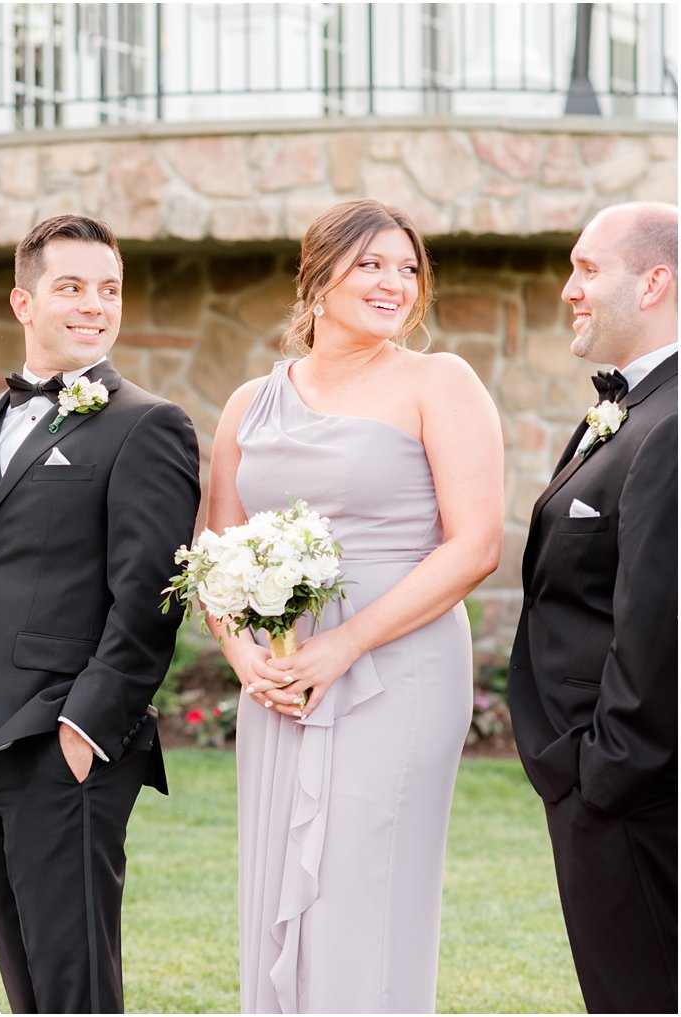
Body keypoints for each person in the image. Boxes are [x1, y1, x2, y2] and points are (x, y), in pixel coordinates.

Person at [211, 198, 502, 1012]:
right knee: (279, 883)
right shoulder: (248, 404)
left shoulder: (437, 382)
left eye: (409, 268)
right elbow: (217, 553)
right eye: (372, 263)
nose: (395, 283)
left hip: (397, 671)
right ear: (318, 274)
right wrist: (247, 662)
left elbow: (474, 545)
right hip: (282, 678)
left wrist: (345, 646)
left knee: (362, 887)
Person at [0, 214, 201, 1014]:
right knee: (28, 983)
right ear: (24, 301)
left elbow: (152, 594)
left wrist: (85, 727)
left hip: (69, 741)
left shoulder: (147, 425)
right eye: (72, 287)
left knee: (76, 986)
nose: (95, 304)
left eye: (109, 289)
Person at [507, 202, 677, 1014]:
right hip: (601, 790)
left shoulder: (673, 424)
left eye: (587, 269)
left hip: (635, 798)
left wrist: (603, 776)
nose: (569, 289)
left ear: (655, 283)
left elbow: (659, 627)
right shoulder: (630, 410)